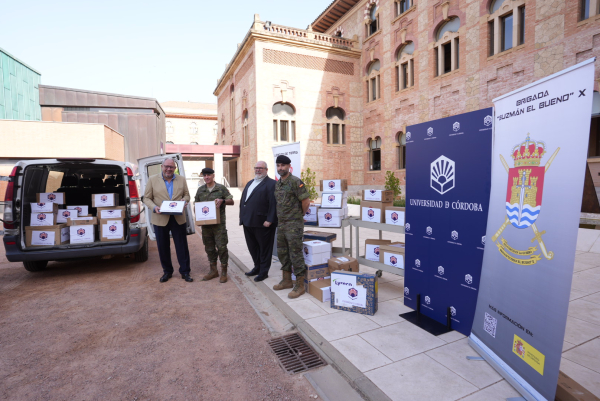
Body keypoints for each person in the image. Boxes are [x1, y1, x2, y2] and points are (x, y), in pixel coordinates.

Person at [143, 158, 192, 283]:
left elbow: (187, 195)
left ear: (175, 168)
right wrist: (154, 207)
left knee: (182, 246)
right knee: (163, 247)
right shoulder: (153, 179)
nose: (168, 169)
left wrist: (184, 201)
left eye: (171, 167)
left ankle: (185, 272)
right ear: (162, 166)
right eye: (166, 166)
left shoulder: (181, 179)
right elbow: (146, 198)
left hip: (178, 217)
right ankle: (167, 271)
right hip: (160, 218)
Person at [273, 155, 311, 298]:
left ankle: (300, 285)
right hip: (282, 224)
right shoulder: (278, 184)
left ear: (289, 166)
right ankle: (287, 280)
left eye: (283, 165)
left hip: (294, 225)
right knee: (282, 253)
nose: (280, 168)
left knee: (295, 254)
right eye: (278, 165)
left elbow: (306, 201)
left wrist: (298, 215)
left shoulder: (296, 182)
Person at [240, 161, 278, 282]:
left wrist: (270, 219)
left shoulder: (272, 184)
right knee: (253, 247)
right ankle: (257, 267)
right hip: (248, 222)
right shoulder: (250, 182)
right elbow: (244, 201)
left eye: (261, 168)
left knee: (264, 249)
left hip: (263, 223)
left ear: (266, 170)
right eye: (256, 168)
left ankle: (263, 272)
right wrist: (242, 217)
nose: (258, 170)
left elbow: (274, 203)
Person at [194, 167, 234, 283]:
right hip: (206, 226)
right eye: (204, 175)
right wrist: (198, 216)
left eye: (209, 175)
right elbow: (196, 204)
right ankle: (213, 270)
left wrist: (223, 201)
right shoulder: (200, 190)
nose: (206, 177)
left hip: (219, 225)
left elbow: (231, 201)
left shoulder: (220, 188)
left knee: (222, 247)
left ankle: (224, 271)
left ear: (213, 175)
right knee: (209, 248)